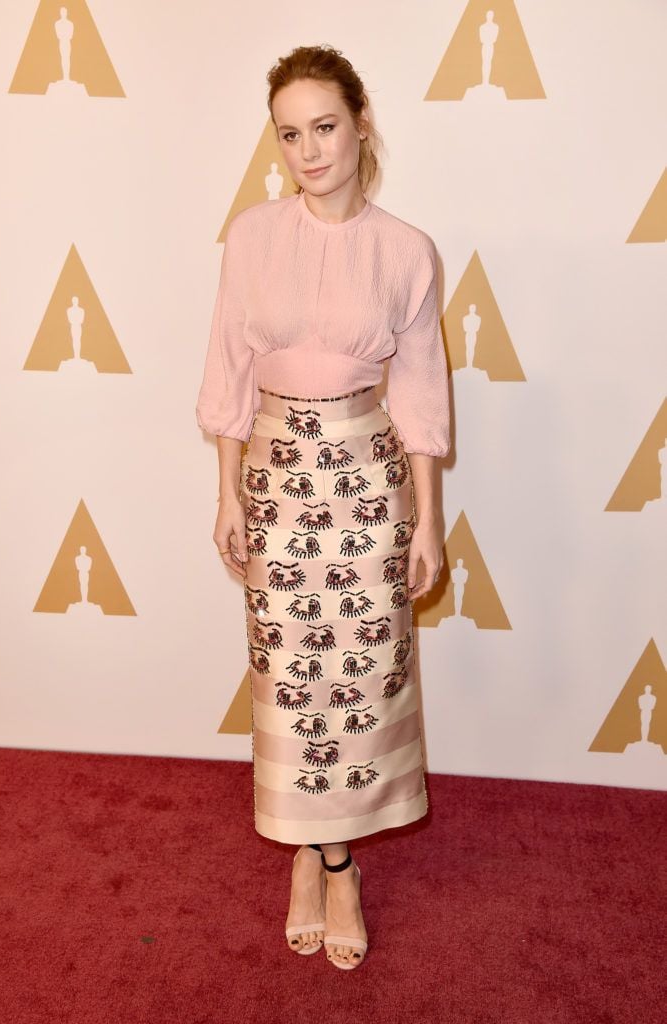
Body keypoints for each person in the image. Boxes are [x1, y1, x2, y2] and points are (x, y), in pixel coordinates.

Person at [195, 44, 451, 970]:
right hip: (274, 475)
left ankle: (330, 861)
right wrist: (226, 490)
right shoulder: (251, 237)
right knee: (291, 677)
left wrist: (427, 521)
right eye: (290, 134)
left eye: (326, 127)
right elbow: (227, 367)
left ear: (361, 124)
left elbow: (421, 396)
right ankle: (319, 858)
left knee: (363, 675)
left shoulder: (406, 251)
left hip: (366, 480)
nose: (309, 151)